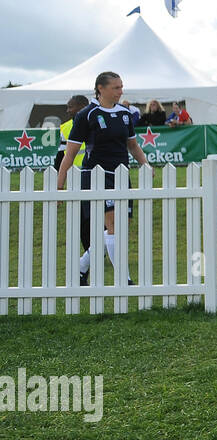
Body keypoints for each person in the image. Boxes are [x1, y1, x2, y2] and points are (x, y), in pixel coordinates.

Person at [56, 72, 150, 285]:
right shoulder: (87, 115)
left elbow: (133, 145)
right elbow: (69, 154)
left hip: (121, 175)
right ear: (101, 88)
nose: (121, 91)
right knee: (113, 223)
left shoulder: (125, 114)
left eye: (121, 86)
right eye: (116, 87)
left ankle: (81, 266)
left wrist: (145, 164)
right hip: (96, 177)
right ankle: (124, 279)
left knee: (118, 227)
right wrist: (59, 186)